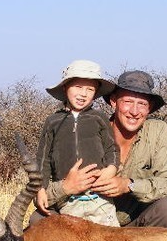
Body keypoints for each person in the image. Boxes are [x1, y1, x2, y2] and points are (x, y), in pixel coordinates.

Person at [33, 69, 167, 228]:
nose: (134, 111)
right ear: (113, 101)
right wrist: (66, 187)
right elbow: (38, 194)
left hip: (134, 226)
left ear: (149, 108)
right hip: (80, 224)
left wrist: (129, 185)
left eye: (142, 104)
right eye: (127, 102)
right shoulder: (89, 128)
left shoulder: (158, 131)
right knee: (38, 220)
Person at [34, 59, 120, 226]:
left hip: (100, 199)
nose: (83, 94)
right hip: (68, 201)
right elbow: (42, 160)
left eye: (90, 89)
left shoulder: (99, 118)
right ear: (65, 87)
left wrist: (111, 169)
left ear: (96, 93)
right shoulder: (52, 121)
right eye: (78, 87)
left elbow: (112, 149)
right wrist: (41, 189)